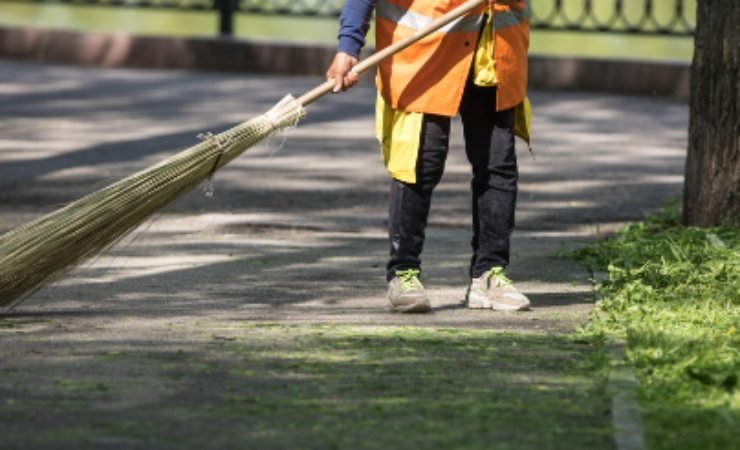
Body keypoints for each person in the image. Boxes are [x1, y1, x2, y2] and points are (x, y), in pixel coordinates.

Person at [326, 0, 532, 313]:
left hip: (495, 50)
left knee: (497, 164)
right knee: (420, 163)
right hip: (426, 57)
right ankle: (403, 274)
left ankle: (489, 274)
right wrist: (349, 44)